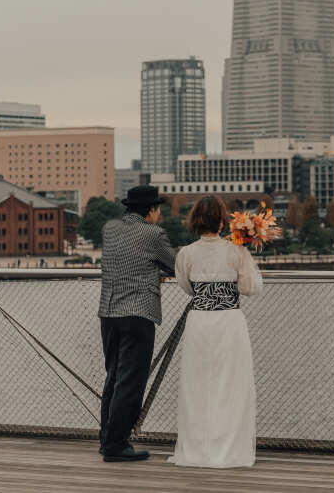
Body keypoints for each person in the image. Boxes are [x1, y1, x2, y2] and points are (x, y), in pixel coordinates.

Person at [169, 196, 263, 468]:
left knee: (197, 385)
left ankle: (198, 446)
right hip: (228, 321)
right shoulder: (236, 251)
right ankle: (227, 446)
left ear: (195, 220)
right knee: (230, 384)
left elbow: (186, 286)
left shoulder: (186, 253)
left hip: (199, 320)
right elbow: (250, 288)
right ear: (223, 221)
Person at [97, 185, 175, 462]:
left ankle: (107, 438)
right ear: (151, 210)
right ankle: (116, 445)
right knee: (131, 380)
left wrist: (150, 269)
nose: (160, 215)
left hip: (109, 312)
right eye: (159, 210)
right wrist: (156, 271)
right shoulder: (153, 234)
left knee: (114, 378)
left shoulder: (111, 229)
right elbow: (176, 264)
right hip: (137, 313)